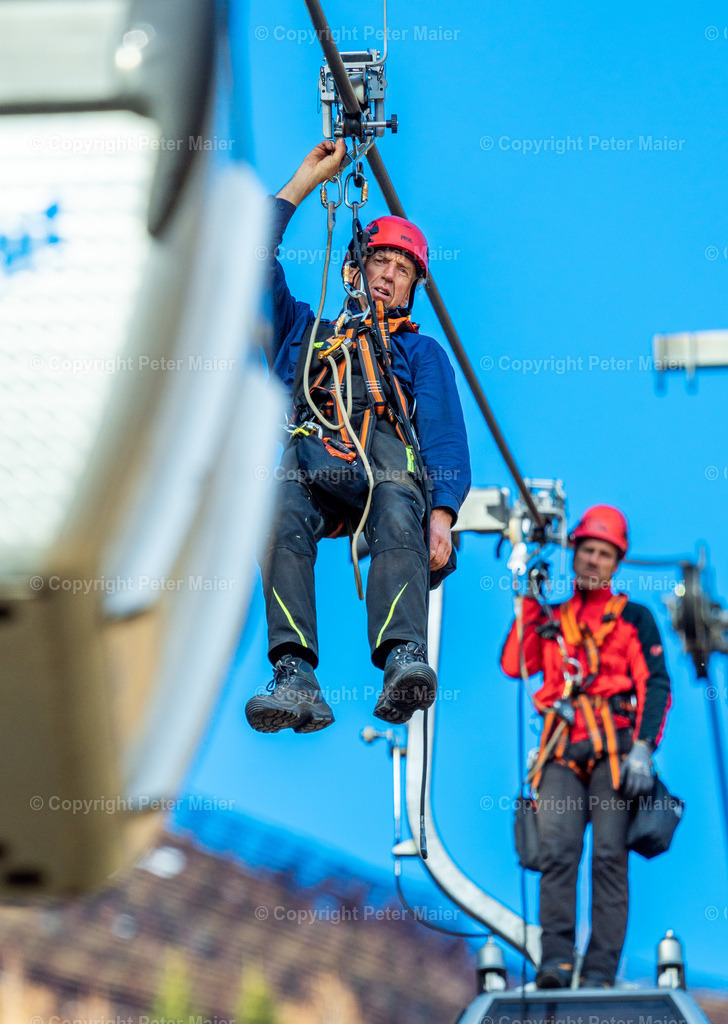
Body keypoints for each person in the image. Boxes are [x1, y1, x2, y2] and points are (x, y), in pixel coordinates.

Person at [245, 140, 471, 734]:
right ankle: (294, 675)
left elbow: (444, 435)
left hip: (384, 465)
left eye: (403, 271)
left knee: (400, 494)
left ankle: (403, 656)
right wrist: (300, 186)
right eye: (381, 263)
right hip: (312, 458)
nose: (390, 277)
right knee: (278, 506)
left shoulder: (418, 352)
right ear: (355, 268)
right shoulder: (303, 328)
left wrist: (442, 515)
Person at [500, 505, 671, 988]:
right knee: (559, 852)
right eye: (587, 550)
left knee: (608, 858)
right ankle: (555, 961)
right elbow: (515, 664)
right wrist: (529, 604)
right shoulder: (553, 619)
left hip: (614, 755)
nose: (594, 560)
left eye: (604, 554)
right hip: (560, 753)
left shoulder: (634, 618)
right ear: (573, 554)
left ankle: (598, 972)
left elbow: (655, 685)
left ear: (617, 564)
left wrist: (644, 747)